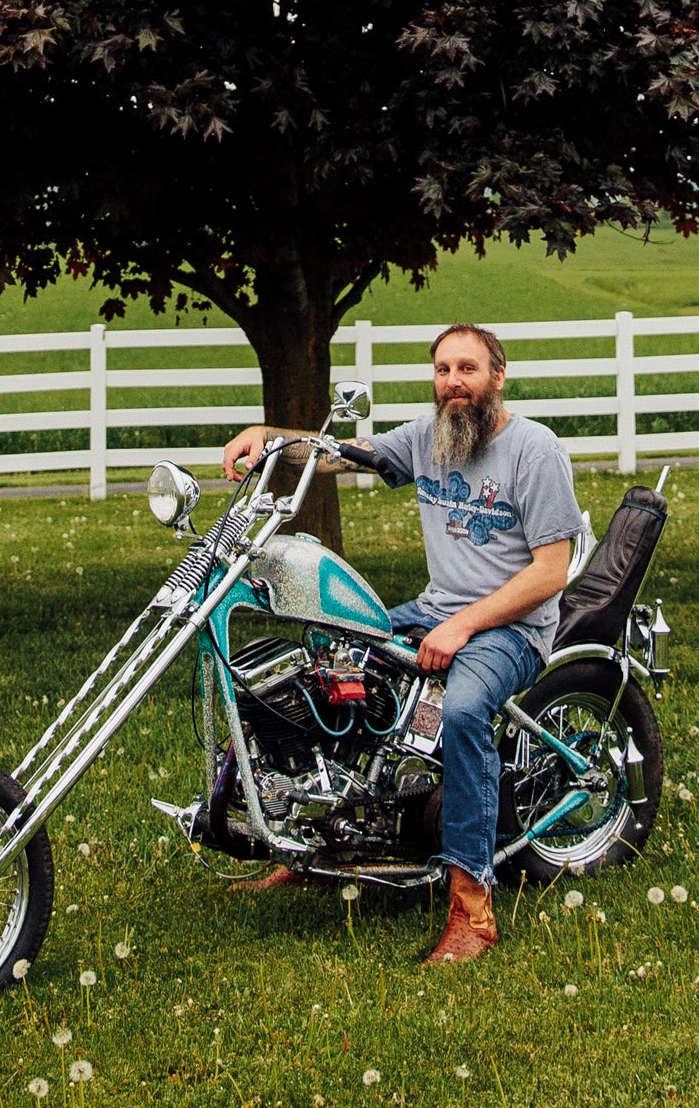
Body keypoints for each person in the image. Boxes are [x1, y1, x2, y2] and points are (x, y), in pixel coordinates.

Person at [220, 323, 583, 963]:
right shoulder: (428, 438)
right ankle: (315, 848)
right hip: (436, 607)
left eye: (467, 369)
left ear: (498, 376)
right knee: (327, 668)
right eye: (443, 370)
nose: (453, 383)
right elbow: (341, 453)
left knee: (464, 713)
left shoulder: (536, 450)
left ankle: (473, 910)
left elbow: (552, 571)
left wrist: (465, 625)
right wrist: (269, 438)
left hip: (513, 628)